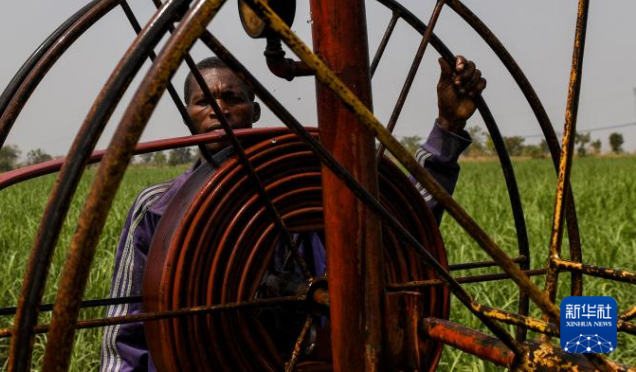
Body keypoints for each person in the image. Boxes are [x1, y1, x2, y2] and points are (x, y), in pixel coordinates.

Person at [100, 55, 484, 372]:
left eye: (232, 97)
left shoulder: (304, 188)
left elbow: (400, 219)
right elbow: (123, 335)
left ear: (255, 108)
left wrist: (447, 127)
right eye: (204, 101)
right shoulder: (157, 206)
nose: (219, 109)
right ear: (187, 114)